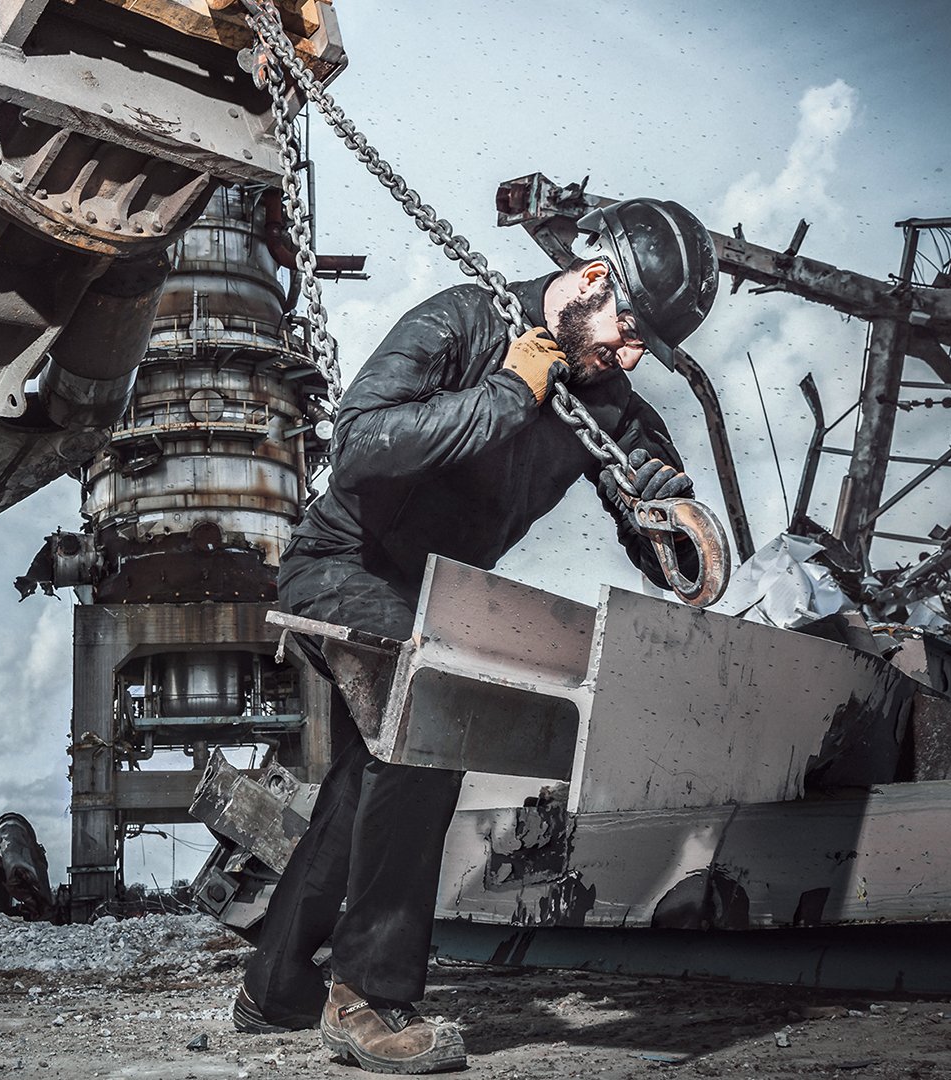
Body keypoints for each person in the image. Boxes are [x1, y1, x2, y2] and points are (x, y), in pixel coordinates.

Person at [232, 198, 720, 1074]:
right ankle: (371, 998)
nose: (631, 353)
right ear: (594, 280)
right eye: (629, 329)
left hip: (436, 598)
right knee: (432, 720)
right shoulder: (463, 320)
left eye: (652, 347)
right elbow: (362, 445)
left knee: (366, 773)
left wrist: (674, 526)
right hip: (345, 562)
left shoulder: (611, 404)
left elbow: (660, 525)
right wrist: (505, 394)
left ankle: (275, 990)